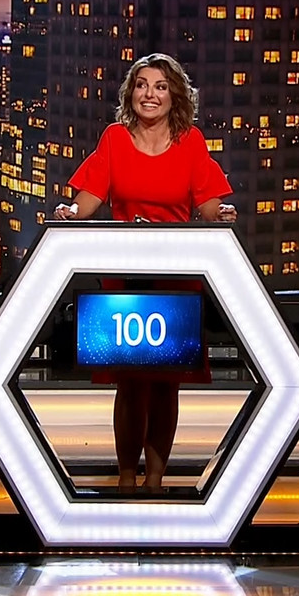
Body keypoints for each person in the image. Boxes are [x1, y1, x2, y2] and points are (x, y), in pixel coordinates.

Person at [54, 53, 236, 492]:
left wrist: (221, 214)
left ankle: (155, 479)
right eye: (141, 85)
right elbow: (90, 195)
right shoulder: (115, 139)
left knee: (166, 385)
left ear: (175, 96)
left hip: (175, 278)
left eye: (159, 86)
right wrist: (71, 212)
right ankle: (126, 476)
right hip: (126, 278)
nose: (149, 94)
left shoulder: (190, 142)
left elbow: (208, 203)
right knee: (131, 384)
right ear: (130, 93)